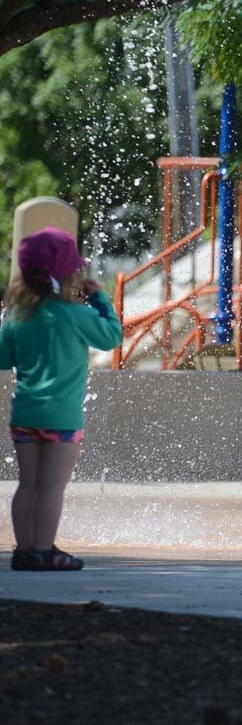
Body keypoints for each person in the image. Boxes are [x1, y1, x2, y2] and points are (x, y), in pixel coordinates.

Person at [1, 227, 122, 571]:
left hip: (24, 415)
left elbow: (2, 359)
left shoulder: (18, 316)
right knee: (52, 486)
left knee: (27, 484)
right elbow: (112, 337)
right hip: (63, 419)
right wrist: (99, 299)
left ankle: (24, 551)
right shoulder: (76, 314)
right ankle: (44, 551)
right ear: (70, 275)